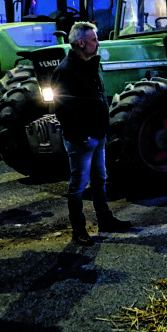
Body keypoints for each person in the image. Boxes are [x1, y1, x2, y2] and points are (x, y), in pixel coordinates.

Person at [53, 22, 131, 246]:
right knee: (78, 185)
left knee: (100, 180)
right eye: (94, 39)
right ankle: (78, 229)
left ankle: (105, 219)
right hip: (83, 139)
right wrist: (81, 135)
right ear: (81, 43)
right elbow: (62, 109)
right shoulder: (65, 71)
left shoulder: (90, 65)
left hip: (98, 136)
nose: (98, 43)